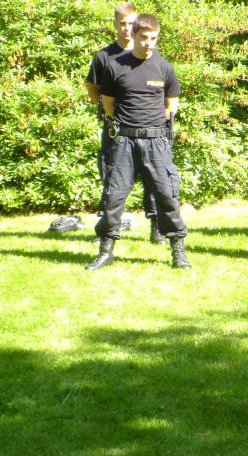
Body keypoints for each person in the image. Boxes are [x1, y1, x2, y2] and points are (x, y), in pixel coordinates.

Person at [86, 13, 191, 270]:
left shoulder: (164, 67)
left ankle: (178, 253)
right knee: (114, 197)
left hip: (156, 142)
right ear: (133, 36)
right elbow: (108, 105)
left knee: (167, 196)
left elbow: (171, 105)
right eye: (144, 38)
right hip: (123, 142)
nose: (148, 43)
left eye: (153, 38)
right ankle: (105, 251)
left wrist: (153, 130)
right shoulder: (114, 65)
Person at [86, 3, 166, 245]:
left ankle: (157, 228)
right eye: (122, 23)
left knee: (154, 179)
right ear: (115, 24)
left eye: (131, 23)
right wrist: (109, 111)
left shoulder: (151, 55)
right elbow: (93, 90)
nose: (127, 28)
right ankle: (108, 231)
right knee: (113, 178)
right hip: (116, 128)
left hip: (147, 129)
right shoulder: (103, 57)